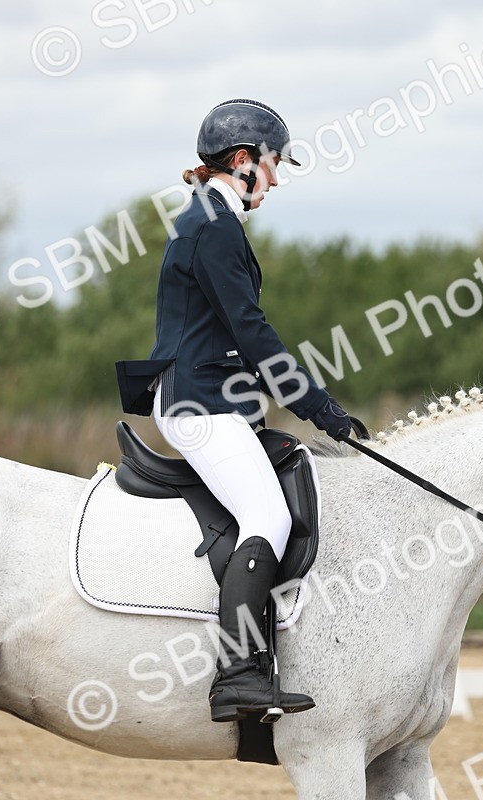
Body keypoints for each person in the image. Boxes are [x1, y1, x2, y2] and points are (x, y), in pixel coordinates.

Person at [117, 99, 353, 723]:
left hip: (213, 397)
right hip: (197, 403)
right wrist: (318, 406)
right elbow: (250, 331)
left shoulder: (208, 220)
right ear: (244, 162)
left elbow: (227, 335)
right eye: (273, 166)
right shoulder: (212, 227)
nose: (276, 179)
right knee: (267, 516)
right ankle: (240, 675)